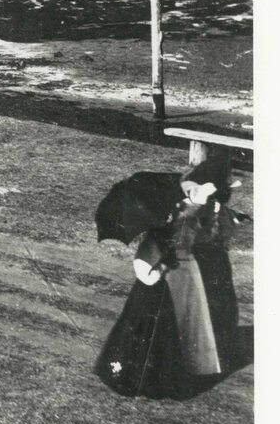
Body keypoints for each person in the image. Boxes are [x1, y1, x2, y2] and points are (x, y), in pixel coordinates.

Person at [97, 154, 243, 400]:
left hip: (179, 275)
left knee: (172, 326)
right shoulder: (184, 213)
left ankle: (165, 375)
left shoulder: (192, 211)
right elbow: (161, 250)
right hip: (173, 276)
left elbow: (183, 239)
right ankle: (156, 376)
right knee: (166, 326)